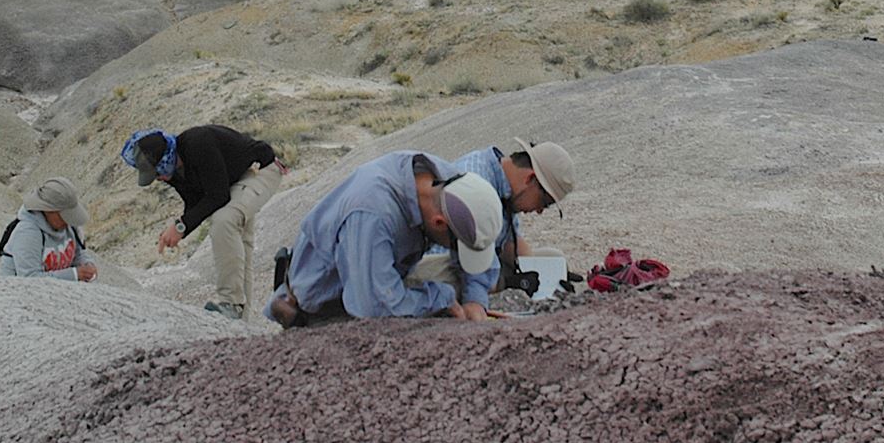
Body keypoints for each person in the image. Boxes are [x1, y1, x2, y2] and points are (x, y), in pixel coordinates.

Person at [264, 153, 501, 327]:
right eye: (457, 245)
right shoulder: (372, 214)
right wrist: (442, 299)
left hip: (387, 276)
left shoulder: (447, 180)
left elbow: (479, 247)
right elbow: (372, 307)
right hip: (327, 305)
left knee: (453, 286)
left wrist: (475, 301)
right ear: (439, 223)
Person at [122, 125, 286, 320]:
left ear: (166, 158)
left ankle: (231, 304)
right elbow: (194, 204)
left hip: (260, 169)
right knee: (240, 247)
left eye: (158, 172)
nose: (160, 178)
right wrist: (176, 229)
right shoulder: (173, 170)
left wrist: (181, 227)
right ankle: (241, 322)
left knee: (224, 221)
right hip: (233, 180)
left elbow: (218, 196)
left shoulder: (198, 143)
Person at [409, 139, 576, 319]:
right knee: (465, 281)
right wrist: (508, 283)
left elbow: (511, 244)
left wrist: (550, 274)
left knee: (553, 256)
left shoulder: (508, 187)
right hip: (438, 261)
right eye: (545, 202)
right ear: (530, 179)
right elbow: (462, 259)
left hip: (479, 259)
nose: (540, 211)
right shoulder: (476, 177)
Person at [0, 177, 99, 282]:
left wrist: (88, 265)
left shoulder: (69, 226)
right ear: (49, 210)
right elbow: (29, 278)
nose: (68, 221)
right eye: (65, 216)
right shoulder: (28, 232)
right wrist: (74, 274)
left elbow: (78, 253)